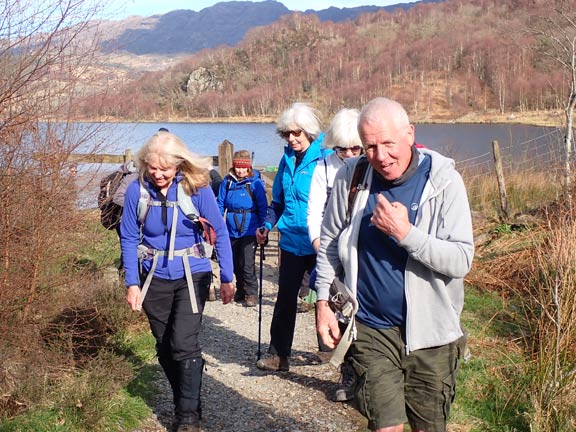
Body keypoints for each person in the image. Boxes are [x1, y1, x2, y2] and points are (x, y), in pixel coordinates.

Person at [315, 97, 474, 431]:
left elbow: (461, 260)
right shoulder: (352, 176)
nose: (381, 156)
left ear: (410, 134)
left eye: (388, 143)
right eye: (370, 146)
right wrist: (322, 304)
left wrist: (407, 235)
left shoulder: (444, 182)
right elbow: (329, 242)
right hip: (371, 328)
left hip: (432, 338)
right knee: (385, 426)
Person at [120, 130, 234, 432]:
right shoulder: (137, 191)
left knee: (184, 344)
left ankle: (188, 417)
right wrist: (132, 283)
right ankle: (185, 398)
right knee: (164, 346)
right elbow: (129, 237)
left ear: (179, 165)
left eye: (165, 169)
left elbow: (220, 232)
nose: (158, 174)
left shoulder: (197, 188)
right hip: (152, 276)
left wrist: (227, 276)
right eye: (153, 168)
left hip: (191, 273)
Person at [255, 102, 328, 372]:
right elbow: (278, 204)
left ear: (309, 131)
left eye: (296, 133)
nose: (291, 138)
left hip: (320, 242)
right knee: (285, 299)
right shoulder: (286, 162)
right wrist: (266, 225)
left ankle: (331, 348)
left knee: (330, 296)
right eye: (287, 134)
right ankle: (278, 355)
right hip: (291, 242)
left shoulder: (326, 158)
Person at [306, 107, 363, 402]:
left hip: (360, 253)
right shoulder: (323, 169)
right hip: (331, 252)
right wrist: (322, 249)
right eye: (343, 149)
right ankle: (348, 372)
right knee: (340, 311)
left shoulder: (369, 168)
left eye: (356, 148)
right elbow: (314, 213)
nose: (350, 154)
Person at [217, 150, 268, 307]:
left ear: (248, 168)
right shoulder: (227, 182)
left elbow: (262, 207)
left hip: (250, 229)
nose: (239, 170)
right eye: (237, 167)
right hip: (231, 229)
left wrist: (262, 228)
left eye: (243, 167)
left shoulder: (255, 183)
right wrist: (218, 223)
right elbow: (220, 203)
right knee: (234, 262)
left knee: (247, 263)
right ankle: (240, 289)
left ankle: (251, 293)